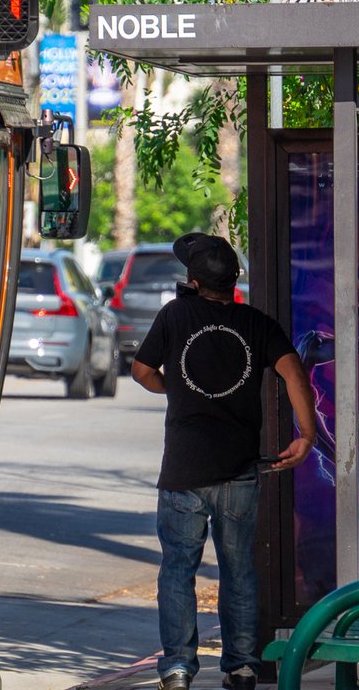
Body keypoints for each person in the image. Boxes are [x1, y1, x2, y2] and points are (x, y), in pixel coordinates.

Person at [131, 233, 320, 690]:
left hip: (183, 472)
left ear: (193, 281)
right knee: (238, 570)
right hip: (239, 472)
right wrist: (307, 434)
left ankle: (177, 668)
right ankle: (241, 667)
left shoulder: (175, 315)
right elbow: (294, 371)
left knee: (178, 569)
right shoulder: (256, 323)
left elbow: (141, 370)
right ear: (234, 281)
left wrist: (171, 387)